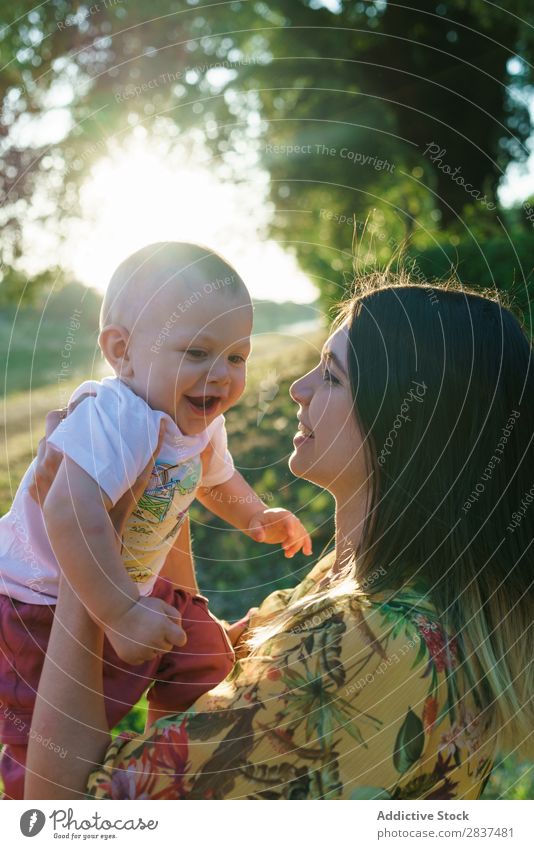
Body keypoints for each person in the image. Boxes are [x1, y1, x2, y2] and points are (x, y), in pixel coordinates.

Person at [24, 274, 534, 800]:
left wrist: (88, 553)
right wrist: (160, 478)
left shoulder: (369, 645)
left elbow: (63, 813)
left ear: (408, 425)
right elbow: (205, 676)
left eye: (332, 377)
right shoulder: (355, 583)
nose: (299, 388)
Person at [0, 241, 311, 799]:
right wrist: (118, 610)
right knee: (52, 723)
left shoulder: (197, 419)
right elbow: (69, 509)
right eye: (196, 351)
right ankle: (38, 806)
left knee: (203, 655)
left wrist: (257, 516)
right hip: (36, 603)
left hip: (136, 586)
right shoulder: (117, 415)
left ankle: (168, 756)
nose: (220, 375)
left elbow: (215, 481)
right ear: (122, 351)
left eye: (236, 357)